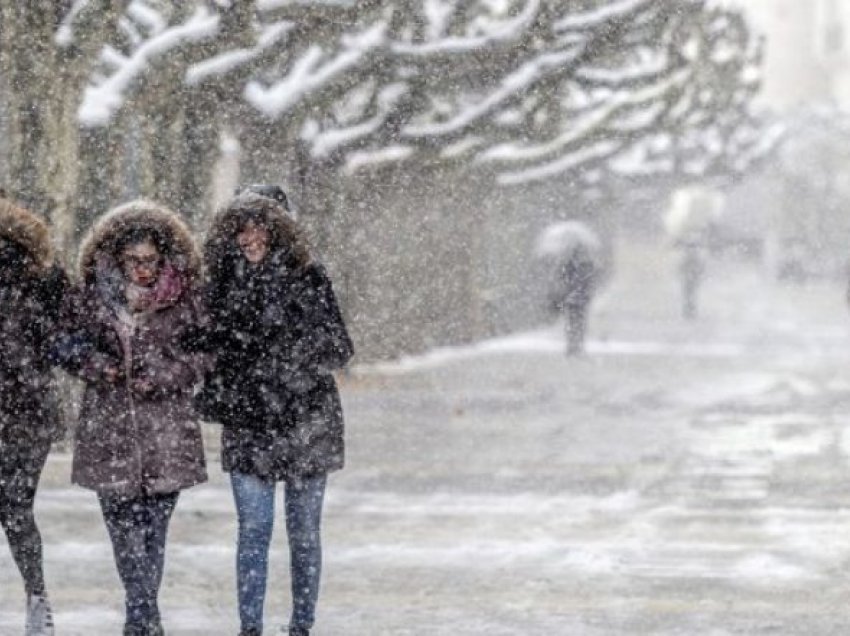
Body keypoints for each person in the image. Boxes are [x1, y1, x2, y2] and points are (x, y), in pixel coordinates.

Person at [191, 189, 353, 636]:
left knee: (303, 535)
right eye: (241, 226)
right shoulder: (219, 283)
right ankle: (250, 629)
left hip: (306, 421)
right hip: (248, 422)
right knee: (254, 531)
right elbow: (201, 344)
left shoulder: (308, 277)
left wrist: (284, 358)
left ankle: (301, 626)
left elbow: (339, 347)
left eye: (259, 225)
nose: (250, 236)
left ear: (280, 228)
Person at [54, 201, 207, 636]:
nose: (142, 269)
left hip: (166, 434)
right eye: (133, 260)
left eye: (150, 260)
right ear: (117, 258)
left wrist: (166, 375)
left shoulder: (185, 298)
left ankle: (141, 615)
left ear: (164, 258)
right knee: (124, 533)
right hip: (109, 431)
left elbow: (206, 353)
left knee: (153, 531)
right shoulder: (90, 295)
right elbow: (64, 344)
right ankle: (142, 614)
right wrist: (99, 368)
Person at [0, 196, 68, 636]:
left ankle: (38, 601)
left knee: (14, 507)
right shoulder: (45, 278)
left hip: (25, 412)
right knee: (16, 508)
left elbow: (58, 342)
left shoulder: (42, 282)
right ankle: (37, 600)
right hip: (31, 411)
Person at [554, 244, 598, 356]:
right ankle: (576, 346)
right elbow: (592, 282)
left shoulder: (568, 266)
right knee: (579, 324)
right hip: (581, 300)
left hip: (572, 299)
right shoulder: (588, 266)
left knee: (572, 323)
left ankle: (573, 346)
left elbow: (562, 280)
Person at [678, 240, 705, 320]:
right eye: (690, 248)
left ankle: (690, 312)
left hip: (691, 279)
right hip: (689, 279)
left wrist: (696, 275)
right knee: (689, 296)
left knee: (690, 296)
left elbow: (701, 269)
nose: (691, 250)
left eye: (692, 248)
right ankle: (689, 312)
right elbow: (681, 268)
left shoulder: (694, 258)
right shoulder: (690, 257)